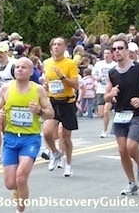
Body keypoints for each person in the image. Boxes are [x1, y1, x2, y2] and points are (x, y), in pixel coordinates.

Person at [0, 57, 54, 213]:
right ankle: (18, 191)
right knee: (10, 183)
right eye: (17, 67)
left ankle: (20, 210)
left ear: (31, 71)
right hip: (11, 137)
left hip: (30, 139)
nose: (19, 69)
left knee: (21, 177)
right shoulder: (6, 88)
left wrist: (39, 111)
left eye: (24, 67)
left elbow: (50, 114)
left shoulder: (38, 90)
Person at [104, 38, 139, 195]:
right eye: (114, 49)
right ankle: (131, 182)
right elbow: (106, 96)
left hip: (137, 114)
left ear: (128, 51)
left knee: (131, 146)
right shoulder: (112, 73)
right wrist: (110, 94)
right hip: (121, 114)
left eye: (120, 48)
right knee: (122, 150)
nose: (117, 51)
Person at [43, 37, 79, 177]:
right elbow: (47, 80)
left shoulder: (70, 64)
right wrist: (46, 86)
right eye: (54, 45)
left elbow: (75, 85)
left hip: (67, 102)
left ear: (65, 48)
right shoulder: (47, 63)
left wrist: (62, 77)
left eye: (59, 44)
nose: (56, 47)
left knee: (65, 136)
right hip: (52, 101)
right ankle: (55, 153)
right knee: (47, 132)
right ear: (51, 48)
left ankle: (68, 163)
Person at [92, 47, 117, 138]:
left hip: (110, 91)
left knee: (106, 111)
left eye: (108, 53)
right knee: (101, 114)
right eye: (105, 53)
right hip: (100, 89)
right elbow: (93, 74)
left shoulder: (115, 65)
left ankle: (105, 130)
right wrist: (96, 78)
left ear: (112, 55)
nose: (106, 55)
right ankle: (112, 113)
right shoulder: (99, 64)